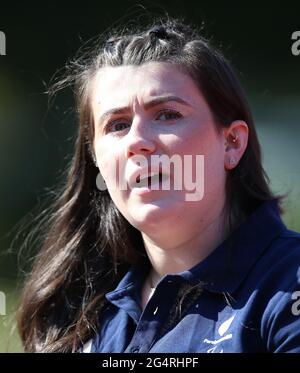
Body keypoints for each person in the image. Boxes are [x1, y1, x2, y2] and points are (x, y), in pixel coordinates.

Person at [17, 18, 300, 353]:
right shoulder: (75, 316)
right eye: (118, 124)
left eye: (167, 114)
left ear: (232, 143)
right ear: (98, 161)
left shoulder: (287, 287)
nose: (138, 141)